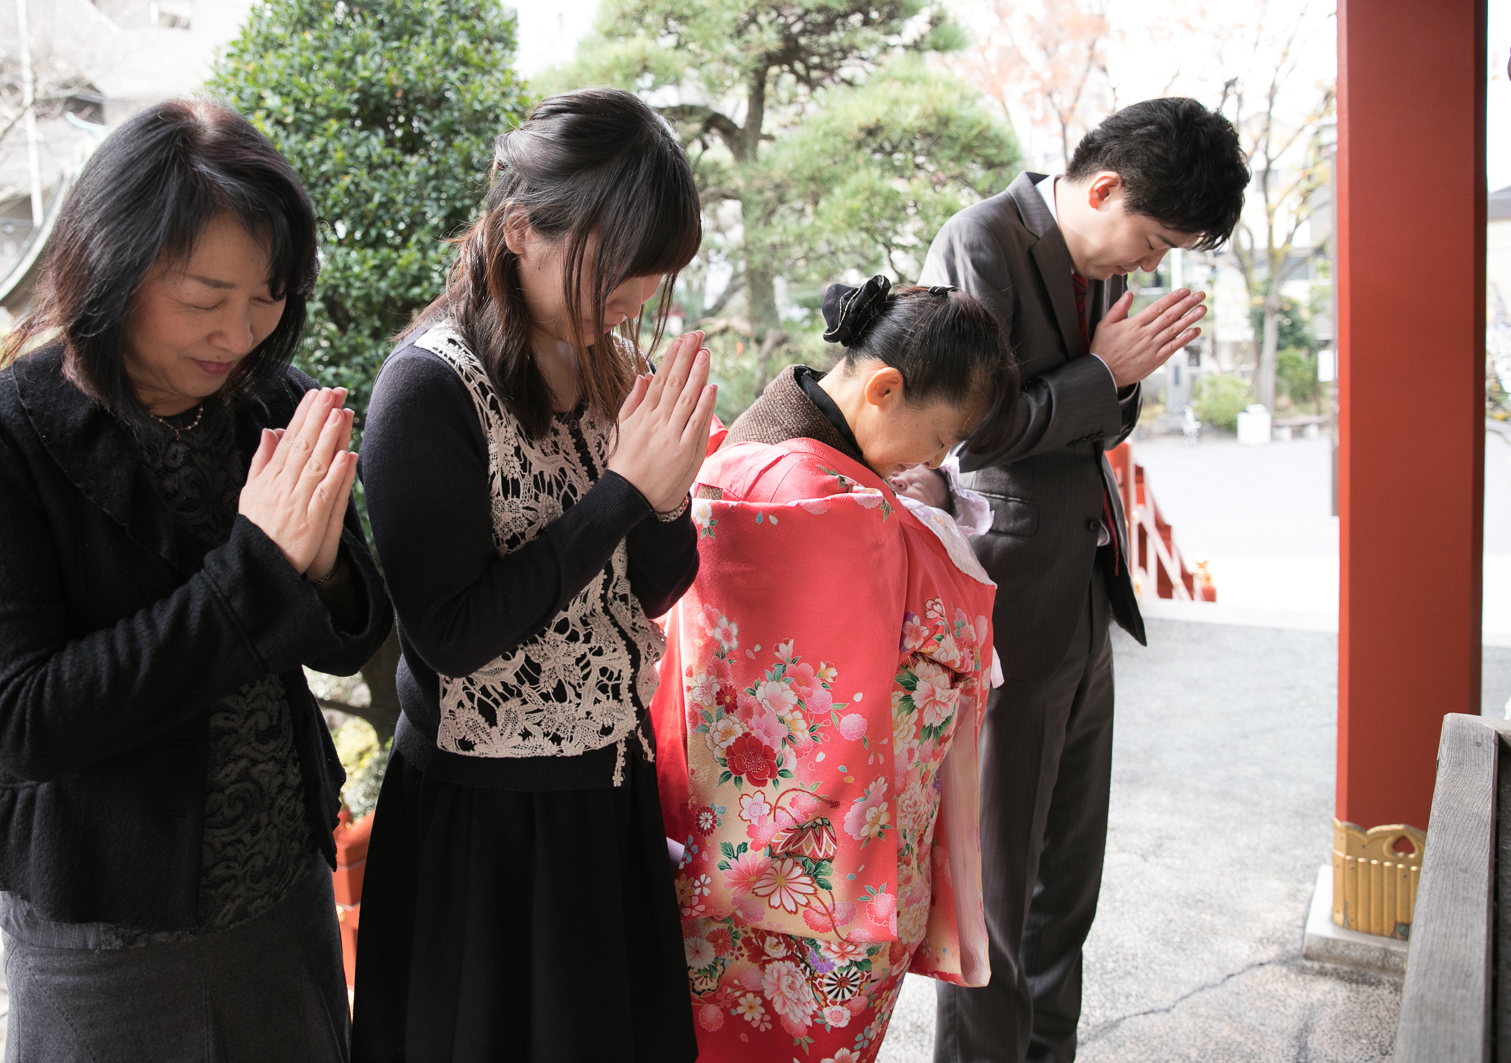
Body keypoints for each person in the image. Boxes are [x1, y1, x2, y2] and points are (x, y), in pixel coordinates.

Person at [0, 99, 394, 1062]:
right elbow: (25, 718)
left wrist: (324, 562)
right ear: (112, 264)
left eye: (269, 298)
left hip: (281, 891)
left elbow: (347, 633)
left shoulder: (271, 402)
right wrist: (262, 564)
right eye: (204, 298)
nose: (241, 334)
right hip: (110, 931)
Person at [351, 88, 716, 1063]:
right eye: (622, 267)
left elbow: (647, 589)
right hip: (487, 830)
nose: (638, 296)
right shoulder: (429, 384)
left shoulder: (608, 366)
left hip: (606, 796)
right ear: (522, 230)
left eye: (654, 275)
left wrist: (667, 497)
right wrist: (623, 490)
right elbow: (451, 631)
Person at [919, 96, 1247, 1063]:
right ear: (1102, 189)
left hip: (1083, 592)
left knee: (1070, 882)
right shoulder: (980, 241)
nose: (1149, 265)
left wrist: (1117, 383)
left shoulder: (1096, 265)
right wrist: (1105, 375)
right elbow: (967, 431)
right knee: (996, 896)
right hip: (1007, 599)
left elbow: (1099, 419)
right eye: (1152, 241)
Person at [650, 276, 1019, 1062]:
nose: (935, 460)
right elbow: (957, 641)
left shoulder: (737, 455)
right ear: (886, 389)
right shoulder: (843, 509)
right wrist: (938, 524)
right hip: (830, 885)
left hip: (708, 851)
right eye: (941, 438)